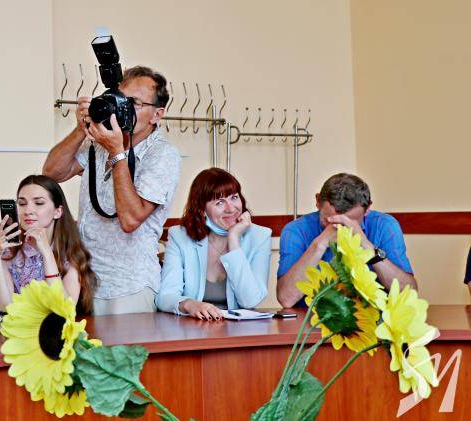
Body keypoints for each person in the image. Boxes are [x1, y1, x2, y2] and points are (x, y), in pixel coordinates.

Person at [43, 66, 181, 315]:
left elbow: (130, 220)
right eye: (120, 99)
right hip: (85, 281)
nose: (123, 107)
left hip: (128, 287)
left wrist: (118, 153)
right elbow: (53, 173)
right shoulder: (100, 144)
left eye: (134, 103)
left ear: (157, 114)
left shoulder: (162, 154)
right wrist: (81, 129)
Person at [276, 173, 417, 308]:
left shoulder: (385, 225)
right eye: (329, 220)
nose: (340, 227)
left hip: (373, 317)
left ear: (367, 208)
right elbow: (286, 299)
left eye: (350, 221)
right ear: (318, 201)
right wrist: (320, 244)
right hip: (311, 316)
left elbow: (409, 293)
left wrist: (367, 246)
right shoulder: (296, 230)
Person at [156, 168, 271, 320]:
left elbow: (250, 301)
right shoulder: (179, 236)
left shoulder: (260, 236)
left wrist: (233, 239)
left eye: (234, 197)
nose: (231, 209)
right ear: (202, 209)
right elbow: (165, 297)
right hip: (192, 327)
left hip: (238, 329)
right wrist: (190, 304)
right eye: (220, 202)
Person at [0, 175, 97, 314]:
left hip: (57, 326)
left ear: (57, 212)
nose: (28, 211)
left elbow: (65, 311)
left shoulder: (70, 253)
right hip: (20, 325)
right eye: (22, 204)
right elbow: (1, 311)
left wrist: (46, 253)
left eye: (39, 203)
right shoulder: (10, 252)